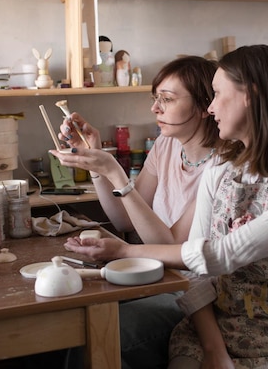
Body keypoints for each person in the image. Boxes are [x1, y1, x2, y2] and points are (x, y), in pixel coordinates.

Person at [63, 44, 268, 368]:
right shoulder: (222, 171)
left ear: (250, 94)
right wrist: (213, 351)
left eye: (218, 95)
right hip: (209, 328)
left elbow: (217, 256)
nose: (211, 108)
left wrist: (123, 251)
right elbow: (196, 271)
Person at [51, 55, 225, 369]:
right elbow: (123, 219)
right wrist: (96, 162)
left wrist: (116, 173)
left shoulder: (222, 166)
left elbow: (172, 246)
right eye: (155, 98)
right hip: (154, 275)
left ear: (205, 107)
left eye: (167, 100)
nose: (155, 108)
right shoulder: (167, 145)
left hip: (197, 295)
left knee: (100, 333)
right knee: (61, 316)